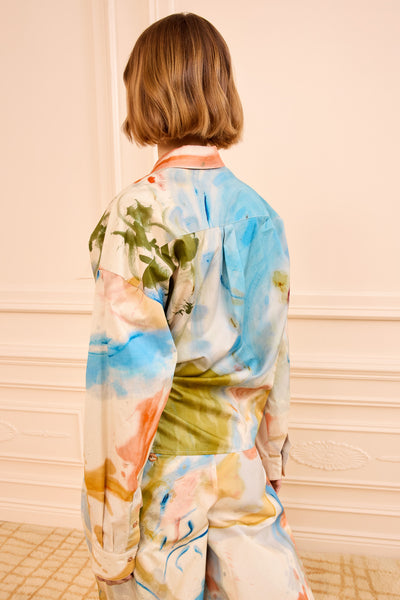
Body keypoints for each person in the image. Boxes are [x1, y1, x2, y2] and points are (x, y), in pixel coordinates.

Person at [81, 12, 314, 600]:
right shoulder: (263, 215)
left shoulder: (137, 217)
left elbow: (123, 393)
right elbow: (276, 356)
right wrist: (271, 460)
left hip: (166, 485)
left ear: (145, 92)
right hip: (243, 468)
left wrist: (110, 539)